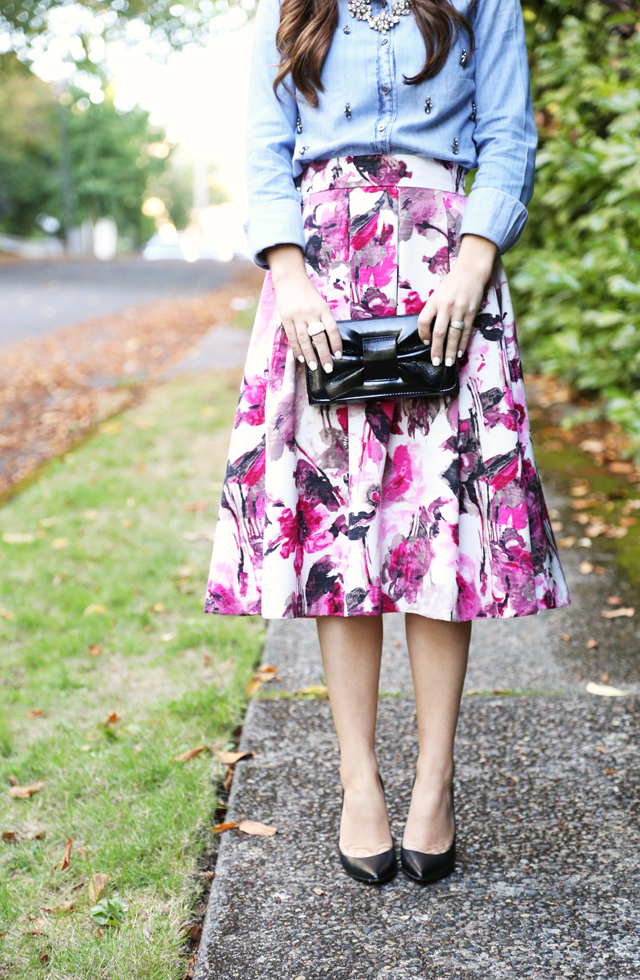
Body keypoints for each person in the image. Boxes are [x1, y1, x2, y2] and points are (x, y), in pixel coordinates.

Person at [205, 0, 570, 885]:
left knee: (442, 523)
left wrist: (475, 263)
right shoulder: (287, 8)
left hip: (450, 265)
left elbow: (508, 134)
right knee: (343, 533)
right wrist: (288, 274)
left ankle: (434, 784)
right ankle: (358, 781)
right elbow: (263, 148)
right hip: (321, 278)